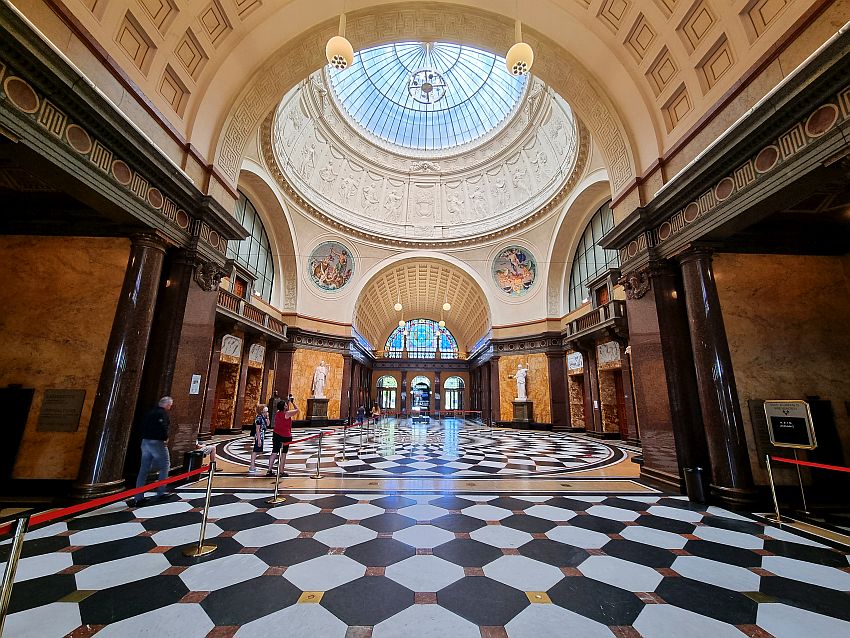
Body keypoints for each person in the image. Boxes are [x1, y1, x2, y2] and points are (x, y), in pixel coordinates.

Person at [132, 396, 173, 506]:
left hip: (145, 442)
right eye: (170, 405)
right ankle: (160, 492)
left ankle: (138, 497)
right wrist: (165, 438)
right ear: (167, 405)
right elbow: (163, 427)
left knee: (143, 469)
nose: (170, 407)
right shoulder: (162, 414)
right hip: (157, 442)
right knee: (165, 465)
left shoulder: (149, 412)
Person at [268, 396, 299, 476]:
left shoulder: (278, 413)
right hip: (285, 435)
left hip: (276, 434)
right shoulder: (287, 414)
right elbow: (297, 410)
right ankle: (281, 471)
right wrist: (292, 402)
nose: (287, 406)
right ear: (284, 407)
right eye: (286, 405)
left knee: (274, 452)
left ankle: (269, 470)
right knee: (284, 454)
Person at [248, 404, 269, 474]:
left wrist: (267, 417)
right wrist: (259, 440)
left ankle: (253, 466)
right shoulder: (259, 418)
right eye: (266, 411)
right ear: (262, 411)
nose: (267, 412)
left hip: (262, 435)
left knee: (256, 450)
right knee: (255, 451)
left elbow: (268, 424)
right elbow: (257, 429)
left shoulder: (263, 417)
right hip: (259, 436)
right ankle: (252, 466)